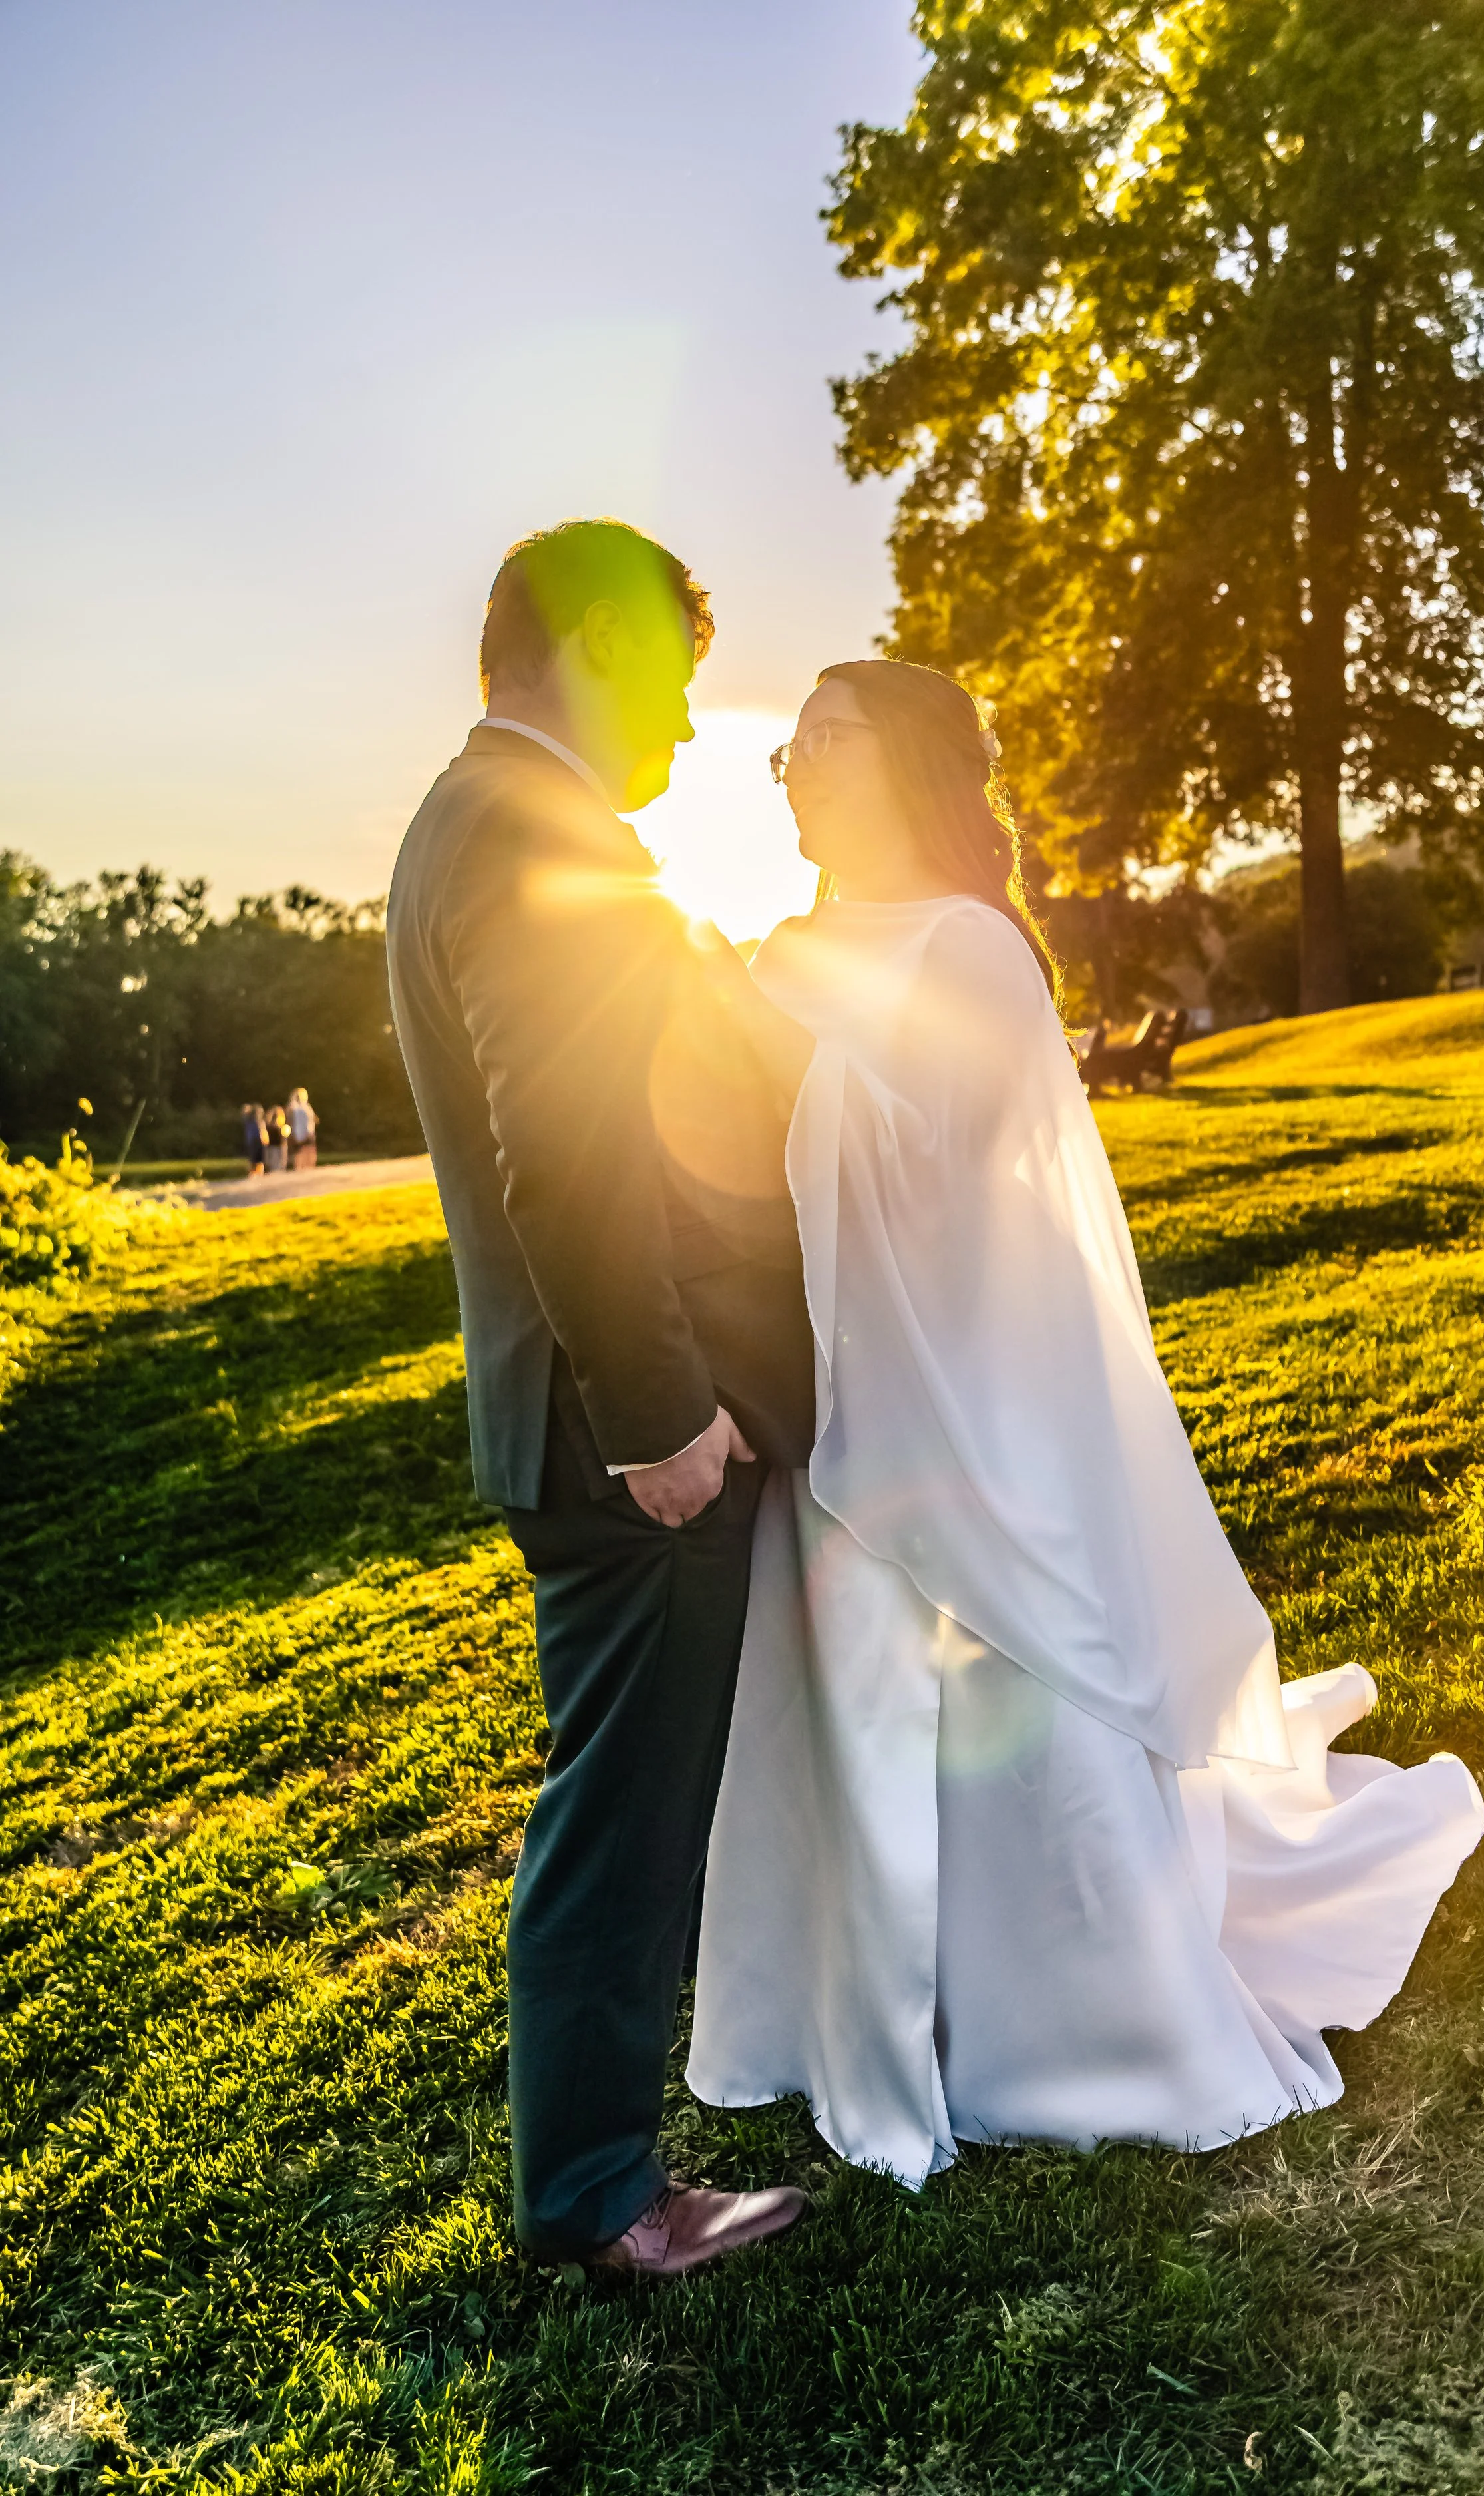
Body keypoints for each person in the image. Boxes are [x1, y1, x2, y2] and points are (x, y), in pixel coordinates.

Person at [685, 659, 1484, 2189]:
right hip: (836, 1386)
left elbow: (937, 1142)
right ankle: (848, 2007)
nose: (790, 767)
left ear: (903, 760)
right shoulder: (797, 943)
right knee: (842, 1688)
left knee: (1007, 1685)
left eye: (820, 739)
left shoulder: (975, 951)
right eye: (783, 748)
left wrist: (755, 1033)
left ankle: (1075, 2016)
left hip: (964, 1393)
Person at [385, 520, 815, 2278]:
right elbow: (561, 1157)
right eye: (675, 683)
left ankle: (591, 2170)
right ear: (596, 647)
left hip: (563, 1410)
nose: (687, 730)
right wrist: (662, 1415)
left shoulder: (459, 821)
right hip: (622, 1428)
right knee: (621, 1817)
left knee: (613, 1797)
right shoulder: (529, 836)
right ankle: (596, 2197)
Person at [287, 1088, 318, 1170]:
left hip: (302, 1132)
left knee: (303, 1151)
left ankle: (303, 1168)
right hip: (304, 1132)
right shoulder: (305, 1107)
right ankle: (304, 1168)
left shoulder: (300, 1107)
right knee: (303, 1151)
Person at [240, 1103, 267, 1177]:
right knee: (257, 1158)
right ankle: (257, 1173)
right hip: (256, 1140)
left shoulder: (249, 1120)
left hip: (252, 1140)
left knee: (254, 1158)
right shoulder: (256, 1121)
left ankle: (255, 1173)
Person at [263, 1102, 289, 1173]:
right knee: (278, 1169)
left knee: (272, 1169)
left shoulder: (267, 1127)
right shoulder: (281, 1129)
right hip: (278, 1150)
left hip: (270, 1150)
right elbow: (284, 1143)